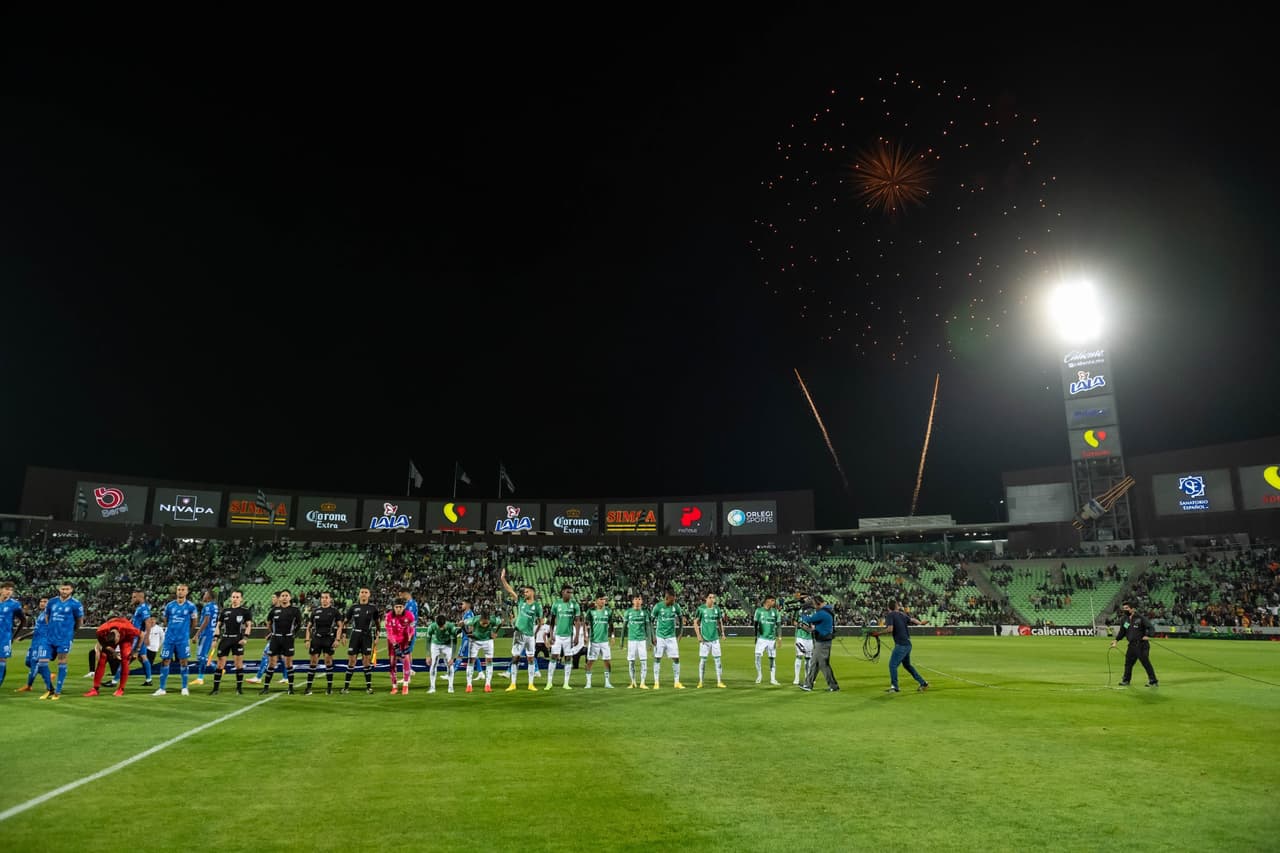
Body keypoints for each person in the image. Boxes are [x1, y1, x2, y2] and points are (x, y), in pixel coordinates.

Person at [42, 582, 86, 700]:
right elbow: (47, 616)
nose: (64, 591)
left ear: (71, 590)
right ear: (59, 589)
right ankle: (50, 689)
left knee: (62, 660)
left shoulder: (75, 604)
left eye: (67, 589)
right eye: (62, 589)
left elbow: (80, 621)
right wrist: (50, 628)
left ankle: (58, 690)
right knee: (42, 662)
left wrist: (71, 632)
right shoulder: (52, 602)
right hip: (49, 637)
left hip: (64, 637)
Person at [499, 568, 540, 692]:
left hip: (530, 636)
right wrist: (503, 579)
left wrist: (535, 633)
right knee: (515, 658)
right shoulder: (521, 601)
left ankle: (531, 684)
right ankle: (513, 684)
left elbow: (541, 622)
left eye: (527, 591)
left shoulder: (537, 606)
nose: (525, 593)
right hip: (519, 634)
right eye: (524, 592)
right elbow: (510, 590)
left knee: (531, 659)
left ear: (532, 592)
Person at [154, 583, 198, 697]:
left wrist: (186, 632)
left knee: (183, 661)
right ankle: (162, 688)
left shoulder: (191, 606)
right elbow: (166, 619)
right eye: (179, 589)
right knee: (165, 660)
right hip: (169, 638)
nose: (180, 591)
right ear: (176, 591)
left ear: (186, 592)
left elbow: (194, 622)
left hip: (182, 639)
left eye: (183, 590)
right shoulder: (170, 605)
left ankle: (184, 687)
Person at [874, 600, 927, 694]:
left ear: (888, 608)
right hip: (908, 644)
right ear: (896, 606)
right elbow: (912, 620)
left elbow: (890, 629)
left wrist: (878, 633)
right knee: (907, 665)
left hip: (901, 645)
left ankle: (894, 687)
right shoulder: (902, 614)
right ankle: (923, 683)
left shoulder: (890, 615)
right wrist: (920, 623)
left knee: (892, 665)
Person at [84, 617, 142, 697]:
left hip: (126, 637)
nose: (116, 645)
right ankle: (95, 689)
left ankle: (121, 689)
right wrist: (113, 651)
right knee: (103, 657)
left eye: (116, 642)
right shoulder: (101, 631)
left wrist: (137, 650)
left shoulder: (129, 629)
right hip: (112, 632)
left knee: (125, 659)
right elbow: (103, 644)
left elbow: (141, 635)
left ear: (118, 636)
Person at [211, 589, 253, 695]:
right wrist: (215, 639)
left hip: (237, 640)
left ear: (241, 599)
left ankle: (239, 689)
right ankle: (215, 689)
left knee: (238, 665)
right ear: (231, 598)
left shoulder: (245, 611)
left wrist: (245, 638)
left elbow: (248, 625)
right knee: (220, 665)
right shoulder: (225, 611)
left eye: (237, 597)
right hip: (225, 639)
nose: (235, 599)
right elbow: (218, 626)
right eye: (233, 597)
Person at [260, 589, 303, 694]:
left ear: (290, 597)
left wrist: (293, 633)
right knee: (272, 663)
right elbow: (269, 623)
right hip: (275, 639)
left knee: (288, 663)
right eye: (283, 596)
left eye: (286, 595)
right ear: (280, 598)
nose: (284, 597)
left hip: (288, 639)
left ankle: (291, 688)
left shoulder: (295, 610)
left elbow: (299, 624)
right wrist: (273, 633)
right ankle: (266, 688)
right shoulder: (274, 610)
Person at [1110, 602, 1158, 687]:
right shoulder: (1124, 619)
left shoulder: (1140, 618)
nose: (1125, 610)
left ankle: (1153, 681)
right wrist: (1116, 640)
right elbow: (1122, 632)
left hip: (1141, 644)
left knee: (1145, 663)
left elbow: (1151, 627)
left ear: (1132, 609)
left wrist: (1148, 635)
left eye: (1127, 608)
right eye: (1124, 608)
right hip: (1131, 645)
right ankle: (1126, 680)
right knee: (1128, 663)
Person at [304, 591, 342, 695]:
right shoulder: (315, 611)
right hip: (316, 639)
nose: (324, 599)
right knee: (313, 663)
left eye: (326, 597)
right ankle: (308, 688)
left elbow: (340, 626)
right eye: (322, 598)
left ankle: (329, 688)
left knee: (328, 662)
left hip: (329, 639)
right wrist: (307, 640)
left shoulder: (335, 611)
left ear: (330, 599)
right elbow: (308, 627)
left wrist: (337, 639)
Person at [342, 587, 379, 694]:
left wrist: (377, 637)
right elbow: (345, 622)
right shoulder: (353, 607)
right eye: (362, 592)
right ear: (359, 594)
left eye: (366, 592)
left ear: (369, 595)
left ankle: (369, 687)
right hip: (355, 635)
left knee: (366, 661)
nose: (363, 594)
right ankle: (346, 687)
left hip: (367, 635)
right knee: (351, 660)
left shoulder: (373, 608)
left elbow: (377, 623)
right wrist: (344, 635)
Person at [798, 595, 839, 692]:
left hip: (822, 642)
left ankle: (833, 686)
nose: (814, 607)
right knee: (814, 663)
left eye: (814, 605)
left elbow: (808, 619)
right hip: (822, 641)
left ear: (819, 604)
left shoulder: (822, 613)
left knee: (823, 664)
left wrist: (801, 613)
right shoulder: (827, 611)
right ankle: (808, 684)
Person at [650, 589, 685, 690]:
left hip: (671, 637)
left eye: (674, 600)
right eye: (672, 600)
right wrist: (653, 635)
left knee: (676, 658)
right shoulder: (658, 607)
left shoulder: (676, 607)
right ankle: (656, 682)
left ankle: (676, 682)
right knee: (657, 658)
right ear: (667, 598)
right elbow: (650, 622)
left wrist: (680, 633)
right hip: (660, 637)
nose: (674, 602)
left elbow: (681, 619)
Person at [546, 585, 579, 691]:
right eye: (568, 592)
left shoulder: (575, 605)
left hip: (569, 636)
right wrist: (551, 635)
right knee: (553, 657)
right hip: (558, 636)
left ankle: (566, 683)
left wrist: (577, 636)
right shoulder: (556, 604)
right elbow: (552, 621)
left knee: (568, 658)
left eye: (571, 592)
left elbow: (577, 621)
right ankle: (549, 682)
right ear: (563, 592)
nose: (570, 594)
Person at [462, 610, 501, 693]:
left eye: (487, 622)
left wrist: (495, 633)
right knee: (471, 661)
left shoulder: (493, 620)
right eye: (484, 623)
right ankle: (469, 685)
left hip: (488, 641)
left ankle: (488, 685)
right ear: (480, 619)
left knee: (489, 661)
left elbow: (501, 622)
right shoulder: (474, 620)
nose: (485, 624)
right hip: (475, 641)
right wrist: (467, 633)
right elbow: (461, 623)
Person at [246, 591, 281, 684]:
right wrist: (271, 634)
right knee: (284, 657)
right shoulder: (279, 610)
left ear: (278, 598)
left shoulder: (276, 611)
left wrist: (272, 633)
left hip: (277, 638)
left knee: (266, 654)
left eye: (274, 597)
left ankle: (258, 677)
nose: (272, 599)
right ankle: (286, 677)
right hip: (280, 637)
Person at [17, 596, 50, 694]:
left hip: (42, 642)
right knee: (28, 662)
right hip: (35, 642)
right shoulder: (41, 615)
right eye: (41, 601)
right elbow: (36, 630)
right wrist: (23, 637)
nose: (42, 603)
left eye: (45, 601)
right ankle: (47, 674)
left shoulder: (50, 615)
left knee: (34, 663)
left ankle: (29, 685)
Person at [694, 592, 727, 689]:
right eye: (710, 597)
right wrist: (698, 635)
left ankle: (719, 681)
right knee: (703, 661)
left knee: (718, 660)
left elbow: (720, 622)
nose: (712, 599)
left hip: (715, 639)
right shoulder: (701, 609)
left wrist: (722, 633)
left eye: (713, 598)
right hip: (705, 640)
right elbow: (695, 622)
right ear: (706, 599)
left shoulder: (717, 609)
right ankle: (701, 681)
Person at [384, 600, 416, 695]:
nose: (398, 609)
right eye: (396, 607)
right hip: (392, 642)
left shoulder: (410, 615)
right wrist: (395, 645)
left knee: (406, 661)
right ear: (393, 607)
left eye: (400, 607)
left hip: (404, 641)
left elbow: (412, 629)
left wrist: (409, 640)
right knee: (392, 664)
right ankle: (394, 687)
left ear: (403, 607)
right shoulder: (389, 616)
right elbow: (389, 632)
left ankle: (405, 686)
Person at [584, 594, 614, 689]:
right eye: (601, 599)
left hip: (604, 641)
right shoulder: (591, 611)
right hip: (594, 641)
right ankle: (588, 683)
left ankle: (607, 682)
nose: (603, 601)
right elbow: (586, 623)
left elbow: (611, 624)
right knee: (590, 661)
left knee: (607, 662)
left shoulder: (608, 611)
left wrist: (612, 636)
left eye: (604, 599)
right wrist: (586, 636)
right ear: (596, 600)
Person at [424, 613, 459, 694]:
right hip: (435, 645)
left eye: (442, 626)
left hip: (447, 645)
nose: (441, 628)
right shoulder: (431, 627)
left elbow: (454, 643)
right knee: (433, 664)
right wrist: (428, 655)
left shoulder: (451, 627)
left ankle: (450, 687)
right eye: (439, 626)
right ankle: (432, 687)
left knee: (450, 664)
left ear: (445, 623)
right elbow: (428, 641)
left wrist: (453, 657)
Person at [621, 594, 650, 689]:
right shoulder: (628, 612)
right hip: (632, 640)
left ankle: (642, 683)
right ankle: (633, 682)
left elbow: (648, 627)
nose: (637, 601)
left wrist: (649, 641)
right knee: (631, 662)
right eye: (636, 599)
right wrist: (621, 641)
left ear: (642, 601)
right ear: (633, 601)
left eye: (639, 599)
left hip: (642, 640)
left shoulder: (645, 613)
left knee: (643, 661)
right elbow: (624, 627)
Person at [753, 595, 783, 685]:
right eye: (772, 600)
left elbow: (779, 625)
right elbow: (755, 625)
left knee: (772, 658)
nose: (774, 602)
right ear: (767, 601)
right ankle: (759, 675)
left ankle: (773, 679)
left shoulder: (775, 612)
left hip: (771, 639)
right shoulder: (759, 611)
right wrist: (755, 636)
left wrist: (779, 638)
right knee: (757, 656)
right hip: (761, 638)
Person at [0, 581, 25, 690]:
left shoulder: (14, 604)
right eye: (6, 589)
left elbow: (23, 620)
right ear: (1, 590)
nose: (9, 592)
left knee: (2, 659)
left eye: (11, 590)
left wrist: (14, 636)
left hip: (4, 637)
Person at [193, 589, 219, 686]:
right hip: (210, 632)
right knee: (202, 656)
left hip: (206, 633)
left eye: (205, 594)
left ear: (209, 597)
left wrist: (197, 634)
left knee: (201, 656)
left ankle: (200, 678)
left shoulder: (207, 607)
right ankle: (217, 668)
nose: (203, 596)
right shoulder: (215, 606)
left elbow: (206, 621)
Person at [129, 589, 154, 686]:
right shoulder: (140, 607)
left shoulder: (143, 608)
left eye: (134, 597)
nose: (132, 599)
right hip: (138, 636)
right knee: (142, 657)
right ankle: (149, 680)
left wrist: (147, 637)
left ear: (140, 597)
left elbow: (148, 622)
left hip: (138, 637)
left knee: (128, 657)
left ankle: (115, 680)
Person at [399, 589, 420, 683]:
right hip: (408, 631)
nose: (400, 597)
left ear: (405, 593)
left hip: (408, 632)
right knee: (407, 653)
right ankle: (409, 671)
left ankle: (407, 675)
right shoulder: (410, 603)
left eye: (401, 595)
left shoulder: (411, 604)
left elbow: (410, 619)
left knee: (403, 653)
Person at [792, 595, 813, 686]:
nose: (808, 600)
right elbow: (794, 622)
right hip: (800, 636)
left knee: (808, 658)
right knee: (799, 656)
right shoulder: (798, 610)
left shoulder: (813, 611)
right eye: (806, 599)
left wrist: (811, 628)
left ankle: (807, 677)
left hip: (809, 638)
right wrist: (800, 626)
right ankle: (796, 678)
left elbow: (814, 624)